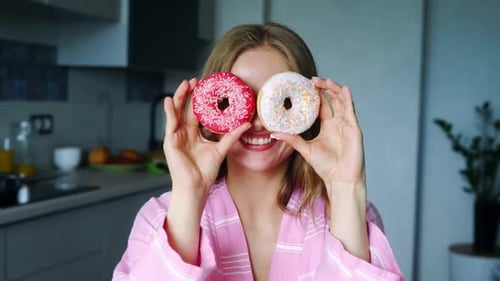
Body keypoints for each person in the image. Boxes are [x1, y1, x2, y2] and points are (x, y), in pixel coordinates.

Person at [112, 22, 405, 281]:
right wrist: (189, 192)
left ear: (311, 111)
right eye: (242, 99)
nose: (257, 123)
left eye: (276, 102)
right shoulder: (160, 218)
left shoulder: (351, 214)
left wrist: (345, 187)